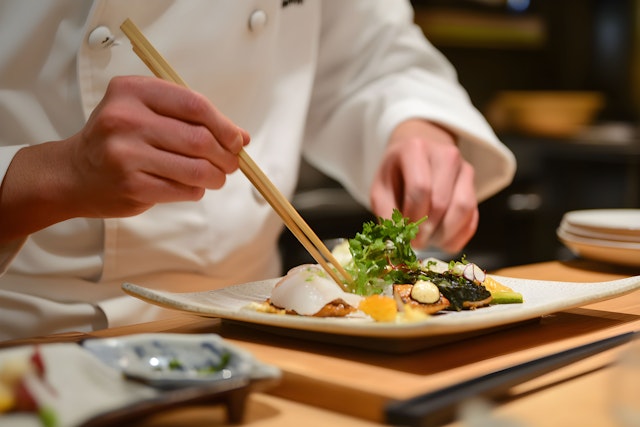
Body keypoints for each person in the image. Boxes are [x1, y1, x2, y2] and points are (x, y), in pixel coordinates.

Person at [0, 0, 516, 340]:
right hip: (28, 333)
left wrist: (411, 124)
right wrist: (50, 173)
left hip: (252, 327)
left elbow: (369, 52)